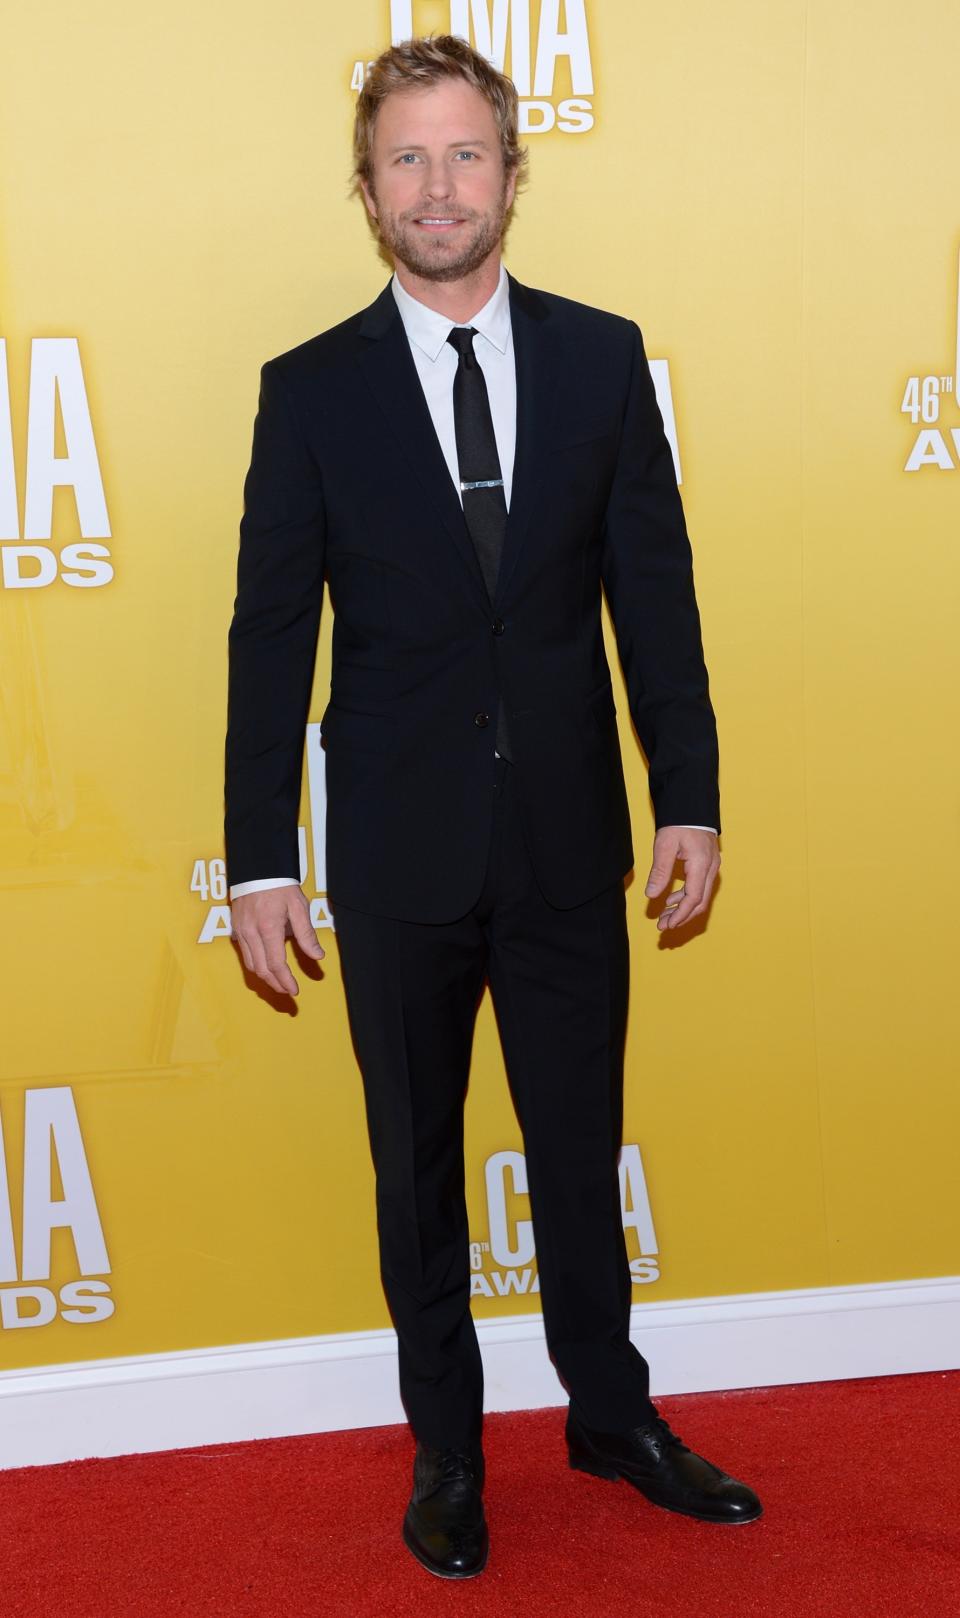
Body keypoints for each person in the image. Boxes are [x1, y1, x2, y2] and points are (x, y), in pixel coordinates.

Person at [224, 32, 761, 1581]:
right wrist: (264, 852)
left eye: (465, 154)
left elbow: (654, 600)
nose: (438, 185)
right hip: (393, 851)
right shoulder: (310, 389)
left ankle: (613, 1414)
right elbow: (272, 636)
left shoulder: (602, 357)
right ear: (367, 186)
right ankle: (448, 1452)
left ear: (514, 173)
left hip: (568, 838)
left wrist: (693, 795)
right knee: (418, 1165)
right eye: (407, 157)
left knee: (578, 1145)